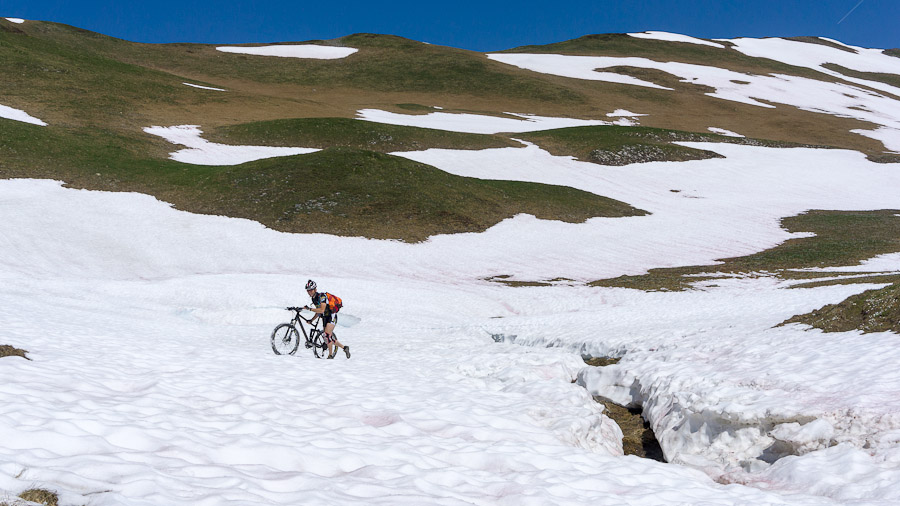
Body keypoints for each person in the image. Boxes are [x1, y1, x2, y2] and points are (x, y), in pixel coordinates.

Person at [303, 279, 350, 359]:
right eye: (308, 290)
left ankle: (330, 355)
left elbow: (322, 310)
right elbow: (318, 312)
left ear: (315, 289)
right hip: (324, 317)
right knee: (327, 338)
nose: (309, 292)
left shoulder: (322, 297)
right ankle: (344, 347)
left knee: (327, 336)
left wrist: (309, 309)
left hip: (331, 316)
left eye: (310, 290)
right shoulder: (314, 299)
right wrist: (312, 320)